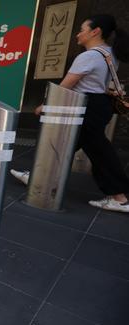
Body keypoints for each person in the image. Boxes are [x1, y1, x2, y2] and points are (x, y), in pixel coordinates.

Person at [11, 14, 129, 213]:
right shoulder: (109, 53)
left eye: (82, 30)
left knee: (97, 151)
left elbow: (66, 86)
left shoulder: (89, 56)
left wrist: (45, 105)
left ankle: (120, 197)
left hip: (86, 105)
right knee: (69, 145)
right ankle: (38, 176)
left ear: (95, 31)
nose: (77, 35)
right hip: (99, 105)